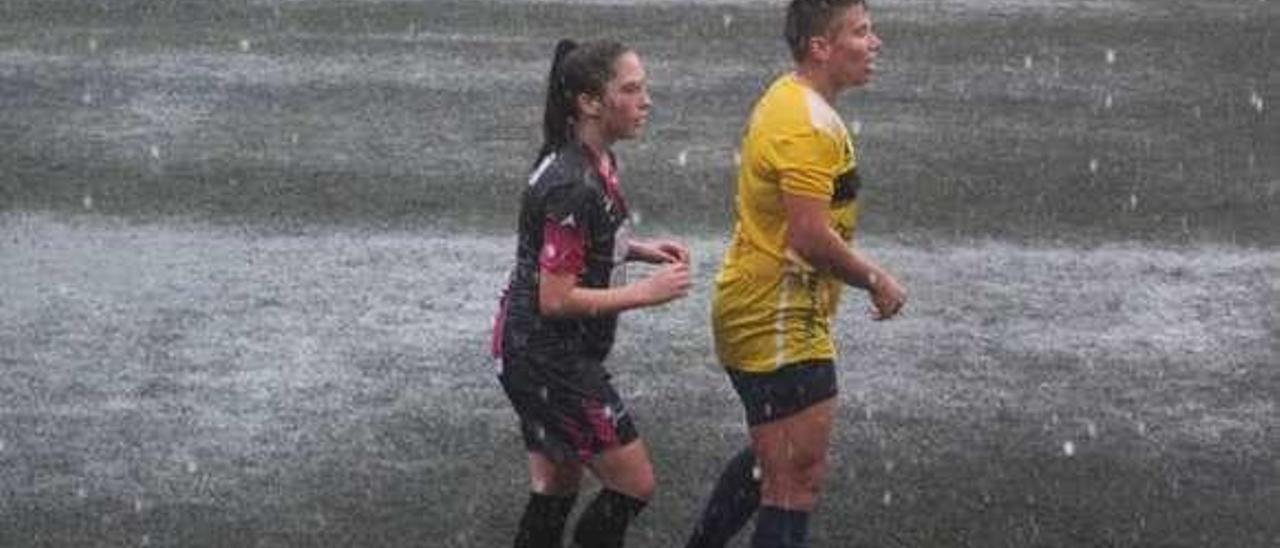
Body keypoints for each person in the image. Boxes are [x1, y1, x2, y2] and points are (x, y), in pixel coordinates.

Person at [684, 1, 905, 547]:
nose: (874, 42)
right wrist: (875, 278)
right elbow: (808, 236)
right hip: (778, 318)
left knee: (773, 464)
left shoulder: (793, 100)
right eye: (860, 32)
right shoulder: (806, 125)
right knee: (793, 484)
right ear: (819, 47)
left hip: (767, 309)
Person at [491, 38, 693, 548]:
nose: (646, 100)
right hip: (548, 359)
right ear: (589, 102)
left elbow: (573, 246)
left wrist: (637, 249)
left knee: (557, 486)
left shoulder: (590, 161)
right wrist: (646, 293)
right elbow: (555, 298)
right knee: (633, 484)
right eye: (631, 89)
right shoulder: (573, 184)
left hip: (530, 351)